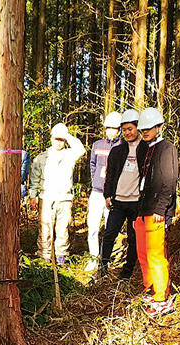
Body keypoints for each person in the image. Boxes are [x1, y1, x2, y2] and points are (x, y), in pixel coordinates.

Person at [133, 108, 178, 316]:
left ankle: (162, 297)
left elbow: (169, 179)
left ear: (159, 127)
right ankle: (150, 287)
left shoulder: (167, 148)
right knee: (142, 254)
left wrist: (162, 207)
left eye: (149, 129)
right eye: (142, 129)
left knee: (155, 255)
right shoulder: (144, 148)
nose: (145, 132)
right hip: (142, 208)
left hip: (156, 210)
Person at [29, 123, 86, 264]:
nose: (59, 142)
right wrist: (32, 196)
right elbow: (34, 178)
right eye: (56, 138)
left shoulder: (69, 155)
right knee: (44, 227)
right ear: (51, 138)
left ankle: (61, 255)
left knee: (63, 228)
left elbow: (81, 149)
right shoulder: (42, 157)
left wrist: (66, 135)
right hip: (46, 198)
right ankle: (44, 256)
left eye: (61, 139)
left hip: (64, 198)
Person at [100, 109, 147, 279]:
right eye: (124, 129)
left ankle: (127, 271)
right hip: (118, 201)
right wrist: (107, 195)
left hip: (136, 203)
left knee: (133, 237)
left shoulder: (146, 149)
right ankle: (103, 267)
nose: (127, 132)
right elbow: (110, 175)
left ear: (138, 128)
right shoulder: (117, 151)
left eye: (130, 129)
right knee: (109, 234)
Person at [85, 111, 122, 271]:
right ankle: (93, 258)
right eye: (109, 128)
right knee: (92, 226)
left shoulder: (122, 147)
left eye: (114, 128)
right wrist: (95, 182)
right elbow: (92, 165)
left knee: (109, 228)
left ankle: (105, 260)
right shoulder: (97, 145)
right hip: (96, 192)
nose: (111, 132)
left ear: (119, 130)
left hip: (113, 195)